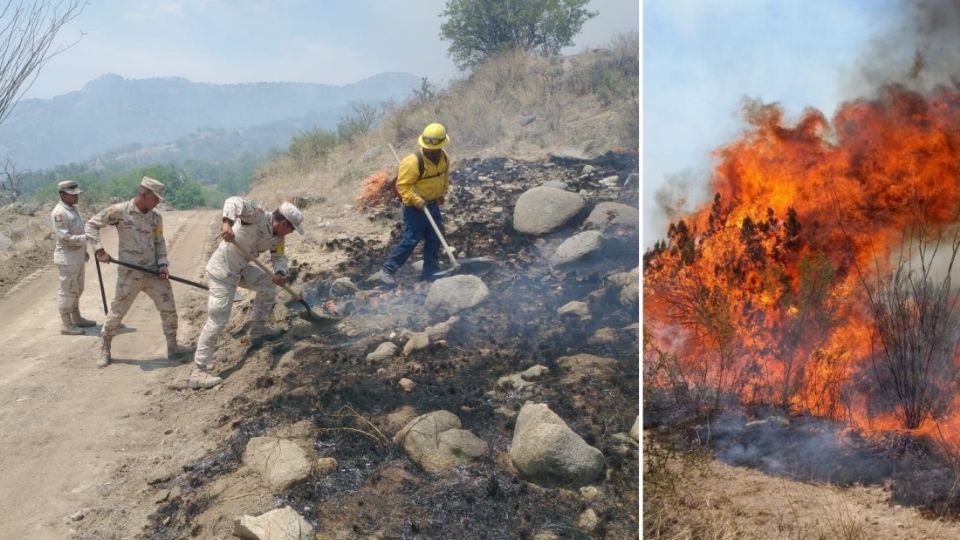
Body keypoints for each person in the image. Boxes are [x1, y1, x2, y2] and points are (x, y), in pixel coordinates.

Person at [188, 197, 304, 389]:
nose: (291, 233)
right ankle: (199, 372)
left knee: (268, 285)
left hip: (241, 269)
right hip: (222, 270)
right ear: (284, 223)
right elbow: (233, 201)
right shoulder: (256, 215)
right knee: (218, 318)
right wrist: (227, 224)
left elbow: (279, 257)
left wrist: (280, 272)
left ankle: (258, 328)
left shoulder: (278, 237)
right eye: (291, 229)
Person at [85, 176, 188, 367]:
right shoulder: (118, 211)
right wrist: (99, 249)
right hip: (129, 274)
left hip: (153, 272)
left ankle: (173, 348)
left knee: (169, 310)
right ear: (144, 194)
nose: (157, 202)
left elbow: (159, 241)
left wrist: (163, 264)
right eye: (155, 198)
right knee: (117, 312)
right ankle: (105, 348)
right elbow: (91, 225)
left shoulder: (156, 217)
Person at [368, 122, 451, 285]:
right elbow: (402, 186)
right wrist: (416, 200)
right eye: (428, 148)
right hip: (416, 208)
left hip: (432, 205)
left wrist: (442, 193)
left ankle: (430, 272)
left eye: (434, 149)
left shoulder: (444, 158)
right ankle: (387, 270)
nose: (431, 151)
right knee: (411, 239)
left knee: (434, 238)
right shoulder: (412, 162)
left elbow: (444, 177)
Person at [51, 180, 96, 335]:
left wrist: (84, 251)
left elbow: (77, 230)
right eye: (72, 194)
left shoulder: (72, 209)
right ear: (62, 194)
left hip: (77, 256)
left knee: (78, 288)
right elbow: (65, 238)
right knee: (68, 290)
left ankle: (77, 318)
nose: (76, 197)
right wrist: (87, 238)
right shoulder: (60, 213)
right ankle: (66, 324)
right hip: (67, 258)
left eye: (77, 194)